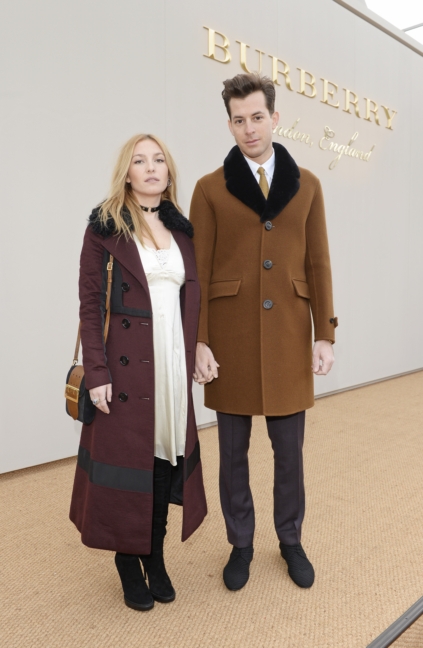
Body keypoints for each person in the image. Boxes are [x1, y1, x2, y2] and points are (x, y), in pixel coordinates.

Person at [190, 73, 337, 591]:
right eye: (238, 119)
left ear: (275, 118)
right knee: (232, 452)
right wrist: (199, 340)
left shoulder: (310, 185)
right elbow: (199, 273)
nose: (249, 129)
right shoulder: (209, 189)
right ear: (228, 123)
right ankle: (242, 543)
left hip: (289, 337)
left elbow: (318, 263)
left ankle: (291, 539)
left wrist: (325, 333)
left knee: (288, 451)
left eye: (257, 117)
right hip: (228, 339)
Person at [69, 133, 207, 611]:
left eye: (159, 160)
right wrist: (98, 372)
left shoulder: (183, 231)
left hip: (170, 363)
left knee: (163, 460)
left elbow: (195, 298)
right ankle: (128, 561)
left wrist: (201, 346)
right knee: (133, 462)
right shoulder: (104, 228)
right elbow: (90, 306)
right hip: (126, 370)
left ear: (168, 171)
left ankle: (155, 555)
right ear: (126, 172)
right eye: (139, 160)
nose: (151, 168)